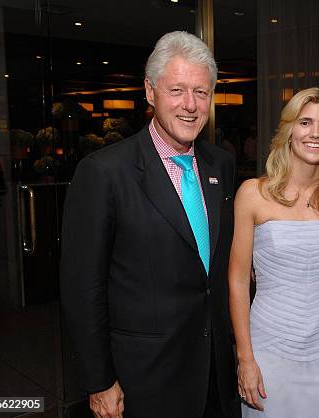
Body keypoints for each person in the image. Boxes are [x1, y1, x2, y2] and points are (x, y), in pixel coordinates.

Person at [60, 31, 239, 418]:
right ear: (150, 91)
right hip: (144, 376)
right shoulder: (103, 172)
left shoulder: (220, 164)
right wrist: (98, 380)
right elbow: (82, 288)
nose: (190, 105)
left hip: (214, 371)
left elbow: (215, 269)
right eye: (176, 90)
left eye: (201, 92)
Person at [229, 87, 319, 418]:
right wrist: (245, 358)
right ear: (289, 130)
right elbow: (238, 281)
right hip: (269, 348)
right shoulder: (252, 194)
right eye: (305, 122)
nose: (315, 133)